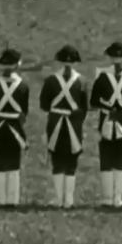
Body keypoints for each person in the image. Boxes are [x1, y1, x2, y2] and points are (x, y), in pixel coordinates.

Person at [40, 44, 87, 208]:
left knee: (58, 161)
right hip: (74, 124)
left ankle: (59, 199)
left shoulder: (51, 80)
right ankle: (69, 200)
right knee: (71, 162)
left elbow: (44, 105)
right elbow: (84, 107)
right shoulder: (81, 81)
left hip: (56, 123)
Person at [90, 42, 122, 208]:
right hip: (114, 122)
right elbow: (94, 101)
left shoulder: (111, 78)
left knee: (114, 161)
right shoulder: (120, 78)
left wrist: (116, 112)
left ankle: (113, 198)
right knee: (112, 161)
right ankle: (112, 198)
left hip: (115, 122)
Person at [0, 48, 30, 208]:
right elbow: (24, 110)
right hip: (15, 127)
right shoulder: (23, 85)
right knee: (14, 163)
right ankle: (13, 199)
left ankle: (0, 199)